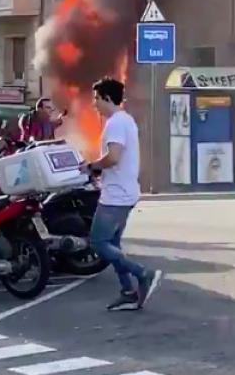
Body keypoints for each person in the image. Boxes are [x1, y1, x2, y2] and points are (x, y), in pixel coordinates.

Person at [84, 77, 164, 311]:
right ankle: (127, 291)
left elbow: (114, 157)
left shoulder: (116, 123)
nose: (94, 104)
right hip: (126, 192)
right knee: (114, 244)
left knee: (98, 242)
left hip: (115, 196)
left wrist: (91, 166)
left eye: (96, 99)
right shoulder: (126, 120)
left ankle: (142, 273)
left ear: (107, 98)